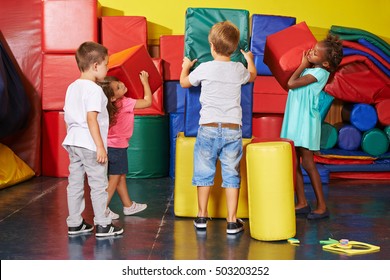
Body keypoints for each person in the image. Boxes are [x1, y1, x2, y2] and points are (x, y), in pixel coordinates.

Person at [180, 21, 257, 234]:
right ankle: (232, 221)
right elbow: (253, 76)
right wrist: (250, 60)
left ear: (212, 47)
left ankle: (202, 216)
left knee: (204, 172)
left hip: (208, 127)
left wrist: (186, 66)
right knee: (231, 174)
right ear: (233, 49)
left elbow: (184, 83)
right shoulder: (239, 68)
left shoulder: (204, 68)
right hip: (233, 129)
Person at [62, 41, 123, 237]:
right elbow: (91, 118)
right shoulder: (94, 89)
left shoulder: (72, 87)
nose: (107, 68)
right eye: (106, 64)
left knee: (75, 183)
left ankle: (75, 223)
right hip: (90, 143)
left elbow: (67, 117)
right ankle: (104, 224)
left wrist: (71, 139)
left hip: (73, 141)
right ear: (96, 66)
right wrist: (100, 147)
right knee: (98, 184)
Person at [280, 34, 343, 220]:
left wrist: (302, 64)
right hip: (296, 120)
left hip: (305, 123)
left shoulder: (319, 73)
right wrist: (307, 63)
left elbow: (291, 84)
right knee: (295, 162)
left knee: (308, 163)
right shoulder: (314, 70)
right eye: (313, 50)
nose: (310, 54)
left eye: (315, 53)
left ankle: (322, 206)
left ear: (325, 64)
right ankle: (302, 202)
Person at [97, 73, 152, 219]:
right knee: (114, 179)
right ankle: (102, 210)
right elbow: (147, 102)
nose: (122, 84)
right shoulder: (125, 103)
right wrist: (145, 82)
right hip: (118, 148)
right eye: (118, 87)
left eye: (119, 83)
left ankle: (128, 206)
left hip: (109, 146)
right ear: (113, 97)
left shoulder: (108, 106)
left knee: (120, 176)